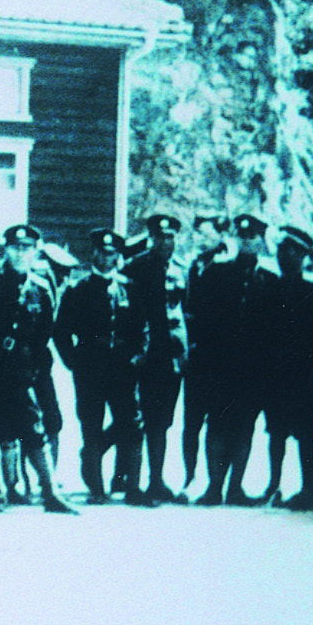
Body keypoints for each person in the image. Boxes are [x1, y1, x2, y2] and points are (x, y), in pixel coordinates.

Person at [0, 224, 76, 514]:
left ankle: (50, 492)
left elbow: (45, 330)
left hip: (21, 371)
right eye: (15, 248)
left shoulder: (40, 286)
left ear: (35, 252)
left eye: (26, 248)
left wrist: (31, 365)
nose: (20, 254)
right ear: (6, 250)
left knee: (34, 429)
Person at [55, 229, 146, 505]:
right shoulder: (78, 289)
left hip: (122, 366)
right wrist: (73, 362)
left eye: (113, 254)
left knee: (131, 424)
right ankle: (97, 488)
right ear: (94, 253)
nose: (108, 258)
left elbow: (141, 327)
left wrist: (138, 355)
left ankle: (133, 488)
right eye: (103, 253)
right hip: (90, 367)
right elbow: (60, 331)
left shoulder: (129, 287)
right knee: (91, 424)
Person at [194, 214, 274, 505]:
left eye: (253, 237)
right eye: (243, 237)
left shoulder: (269, 280)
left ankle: (235, 487)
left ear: (261, 241)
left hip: (253, 369)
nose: (247, 242)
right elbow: (201, 318)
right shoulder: (217, 272)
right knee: (216, 424)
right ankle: (214, 487)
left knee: (244, 426)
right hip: (220, 366)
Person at [262, 226, 313, 507]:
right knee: (275, 432)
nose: (283, 257)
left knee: (305, 434)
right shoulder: (268, 289)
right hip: (274, 375)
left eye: (290, 252)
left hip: (304, 377)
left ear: (302, 256)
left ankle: (309, 487)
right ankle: (273, 485)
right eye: (281, 251)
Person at [124, 214, 186, 503]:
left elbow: (183, 312)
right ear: (150, 239)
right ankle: (128, 480)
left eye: (170, 237)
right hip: (144, 355)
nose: (165, 242)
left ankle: (156, 481)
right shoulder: (135, 267)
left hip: (170, 357)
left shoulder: (180, 269)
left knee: (162, 422)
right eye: (159, 237)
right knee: (138, 419)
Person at [179, 214, 229, 494]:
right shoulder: (192, 266)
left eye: (206, 234)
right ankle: (190, 477)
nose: (200, 239)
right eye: (197, 233)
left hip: (219, 358)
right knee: (191, 423)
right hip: (195, 358)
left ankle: (214, 482)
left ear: (219, 236)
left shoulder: (226, 266)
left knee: (217, 423)